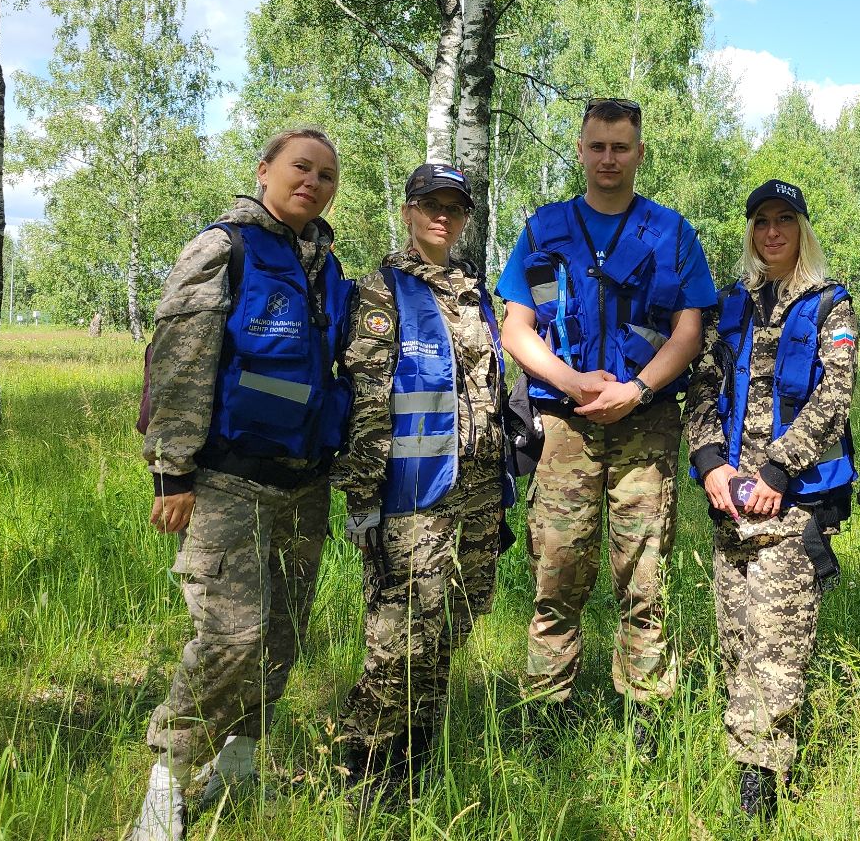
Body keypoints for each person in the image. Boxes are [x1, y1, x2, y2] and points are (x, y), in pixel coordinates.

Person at [132, 129, 353, 841]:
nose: (313, 182)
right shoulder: (223, 249)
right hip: (229, 480)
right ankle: (164, 791)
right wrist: (172, 470)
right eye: (300, 168)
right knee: (233, 634)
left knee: (282, 636)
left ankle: (239, 762)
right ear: (264, 171)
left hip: (304, 482)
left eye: (325, 174)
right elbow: (180, 361)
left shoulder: (328, 265)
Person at [496, 96, 718, 741]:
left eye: (621, 147)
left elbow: (690, 328)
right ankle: (545, 717)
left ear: (640, 153)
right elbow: (517, 328)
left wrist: (639, 391)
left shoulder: (670, 232)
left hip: (644, 426)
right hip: (564, 425)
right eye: (597, 146)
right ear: (582, 149)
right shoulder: (544, 230)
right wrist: (570, 382)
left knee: (644, 577)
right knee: (557, 573)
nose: (608, 159)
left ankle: (644, 721)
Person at [684, 179, 860, 819]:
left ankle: (764, 791)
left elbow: (833, 398)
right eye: (762, 222)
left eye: (784, 221)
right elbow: (703, 390)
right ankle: (747, 768)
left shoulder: (830, 308)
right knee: (737, 643)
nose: (771, 232)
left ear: (802, 231)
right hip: (731, 505)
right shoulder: (732, 305)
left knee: (777, 650)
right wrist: (711, 465)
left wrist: (776, 471)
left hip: (789, 506)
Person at [330, 163, 510, 792]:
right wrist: (363, 498)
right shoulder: (384, 290)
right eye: (430, 205)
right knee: (402, 629)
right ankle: (365, 761)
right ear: (408, 211)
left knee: (457, 617)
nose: (442, 216)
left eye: (454, 208)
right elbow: (369, 395)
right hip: (412, 488)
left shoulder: (475, 295)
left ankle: (416, 748)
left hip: (480, 486)